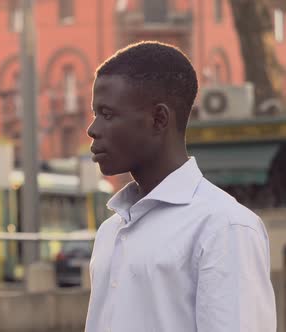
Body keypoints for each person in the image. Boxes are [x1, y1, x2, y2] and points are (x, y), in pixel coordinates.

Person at [85, 41, 276, 332]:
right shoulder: (110, 232)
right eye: (95, 114)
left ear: (158, 118)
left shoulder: (224, 228)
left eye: (107, 114)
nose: (93, 129)